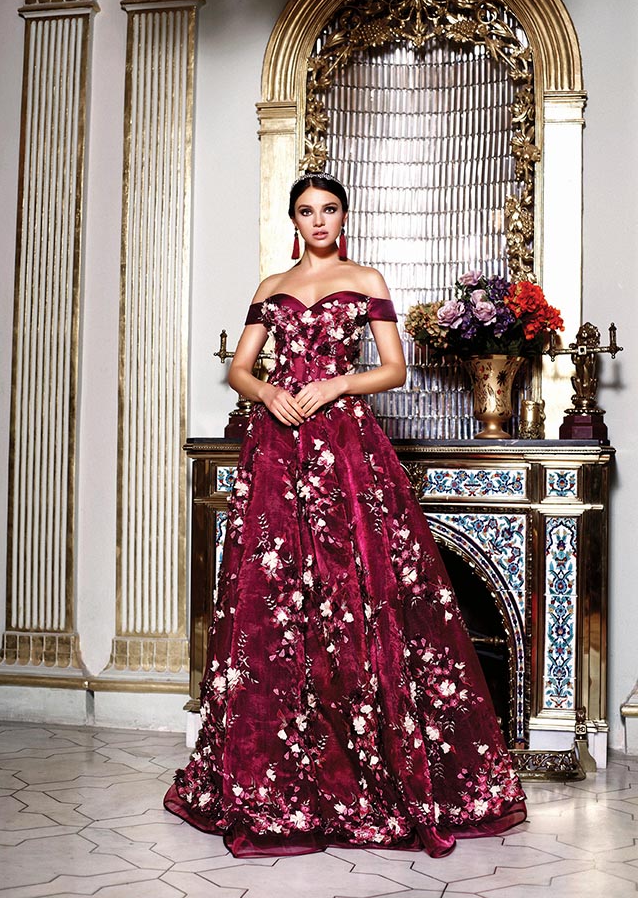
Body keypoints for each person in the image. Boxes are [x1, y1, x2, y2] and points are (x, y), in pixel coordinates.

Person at [164, 171, 527, 858]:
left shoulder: (366, 280)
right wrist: (268, 393)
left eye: (329, 209)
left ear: (343, 216)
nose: (319, 221)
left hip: (345, 447)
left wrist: (335, 383)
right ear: (294, 221)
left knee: (356, 592)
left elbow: (393, 370)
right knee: (276, 598)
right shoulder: (271, 287)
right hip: (278, 448)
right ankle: (277, 774)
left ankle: (366, 768)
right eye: (307, 211)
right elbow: (239, 369)